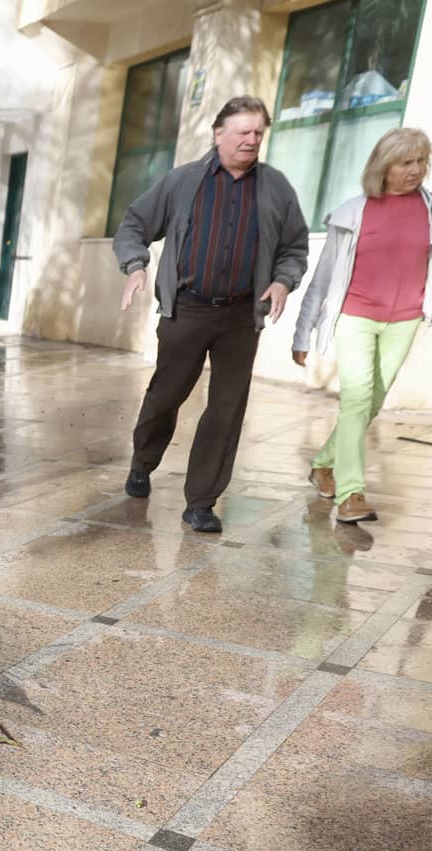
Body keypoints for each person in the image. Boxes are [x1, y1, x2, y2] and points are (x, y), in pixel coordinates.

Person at [114, 95, 310, 534]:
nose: (251, 140)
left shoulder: (275, 187)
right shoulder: (183, 182)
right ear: (218, 134)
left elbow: (295, 247)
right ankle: (143, 461)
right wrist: (136, 266)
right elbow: (134, 224)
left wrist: (282, 280)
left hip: (242, 316)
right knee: (166, 396)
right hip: (187, 310)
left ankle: (201, 501)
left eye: (258, 132)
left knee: (226, 408)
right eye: (242, 131)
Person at [291, 127, 432, 524]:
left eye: (421, 161)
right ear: (383, 166)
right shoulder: (354, 211)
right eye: (405, 162)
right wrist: (301, 332)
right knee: (357, 397)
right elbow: (323, 279)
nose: (415, 170)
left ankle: (323, 463)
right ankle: (350, 492)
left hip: (404, 319)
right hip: (355, 315)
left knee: (372, 401)